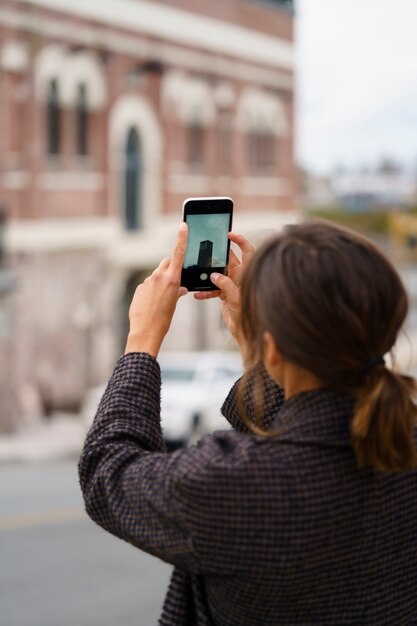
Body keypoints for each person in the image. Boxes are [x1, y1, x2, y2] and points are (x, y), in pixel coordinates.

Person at [79, 220, 417, 626]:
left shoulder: (233, 484)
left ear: (273, 347)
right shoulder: (404, 445)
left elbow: (107, 472)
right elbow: (304, 435)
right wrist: (260, 343)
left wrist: (141, 341)